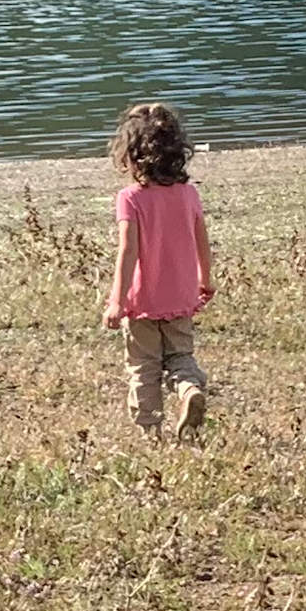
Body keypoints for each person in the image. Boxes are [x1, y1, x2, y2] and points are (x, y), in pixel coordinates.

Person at [102, 100, 212, 436]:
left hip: (142, 303)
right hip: (180, 294)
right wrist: (205, 279)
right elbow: (202, 240)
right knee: (180, 356)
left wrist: (117, 301)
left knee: (143, 366)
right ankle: (189, 389)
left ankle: (150, 429)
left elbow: (128, 251)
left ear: (130, 156)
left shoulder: (131, 198)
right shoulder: (188, 194)